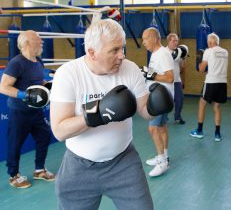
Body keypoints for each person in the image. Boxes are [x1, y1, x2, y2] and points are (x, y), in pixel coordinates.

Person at [50, 19, 172, 209]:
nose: (121, 55)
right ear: (92, 52)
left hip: (124, 162)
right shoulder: (68, 74)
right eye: (114, 50)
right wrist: (99, 112)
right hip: (78, 168)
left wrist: (154, 107)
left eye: (122, 48)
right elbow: (59, 130)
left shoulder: (130, 69)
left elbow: (144, 110)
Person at [0, 30, 55, 189]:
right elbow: (3, 87)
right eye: (38, 38)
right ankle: (14, 175)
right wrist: (24, 95)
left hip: (36, 111)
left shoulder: (38, 61)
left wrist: (46, 85)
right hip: (19, 112)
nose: (42, 41)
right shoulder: (16, 63)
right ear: (27, 43)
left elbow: (38, 81)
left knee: (44, 136)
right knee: (15, 144)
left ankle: (39, 170)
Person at [142, 27, 174, 177]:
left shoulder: (163, 54)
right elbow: (156, 74)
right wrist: (148, 74)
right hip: (159, 96)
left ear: (154, 39)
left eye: (145, 39)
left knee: (153, 129)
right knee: (161, 127)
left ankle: (163, 162)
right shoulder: (156, 54)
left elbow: (169, 77)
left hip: (161, 99)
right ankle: (164, 156)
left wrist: (152, 75)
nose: (143, 43)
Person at [190, 33, 228, 142]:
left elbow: (201, 69)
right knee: (216, 107)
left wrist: (200, 60)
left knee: (202, 104)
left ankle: (199, 130)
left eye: (208, 43)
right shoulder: (225, 52)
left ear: (211, 42)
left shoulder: (208, 51)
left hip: (211, 82)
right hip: (222, 82)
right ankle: (217, 134)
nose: (208, 44)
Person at [166, 33, 186, 125]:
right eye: (174, 40)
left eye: (177, 40)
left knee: (180, 99)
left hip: (177, 80)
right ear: (168, 41)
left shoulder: (179, 52)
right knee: (166, 100)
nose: (176, 42)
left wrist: (183, 58)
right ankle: (164, 117)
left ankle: (177, 117)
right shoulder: (164, 52)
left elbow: (182, 68)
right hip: (166, 81)